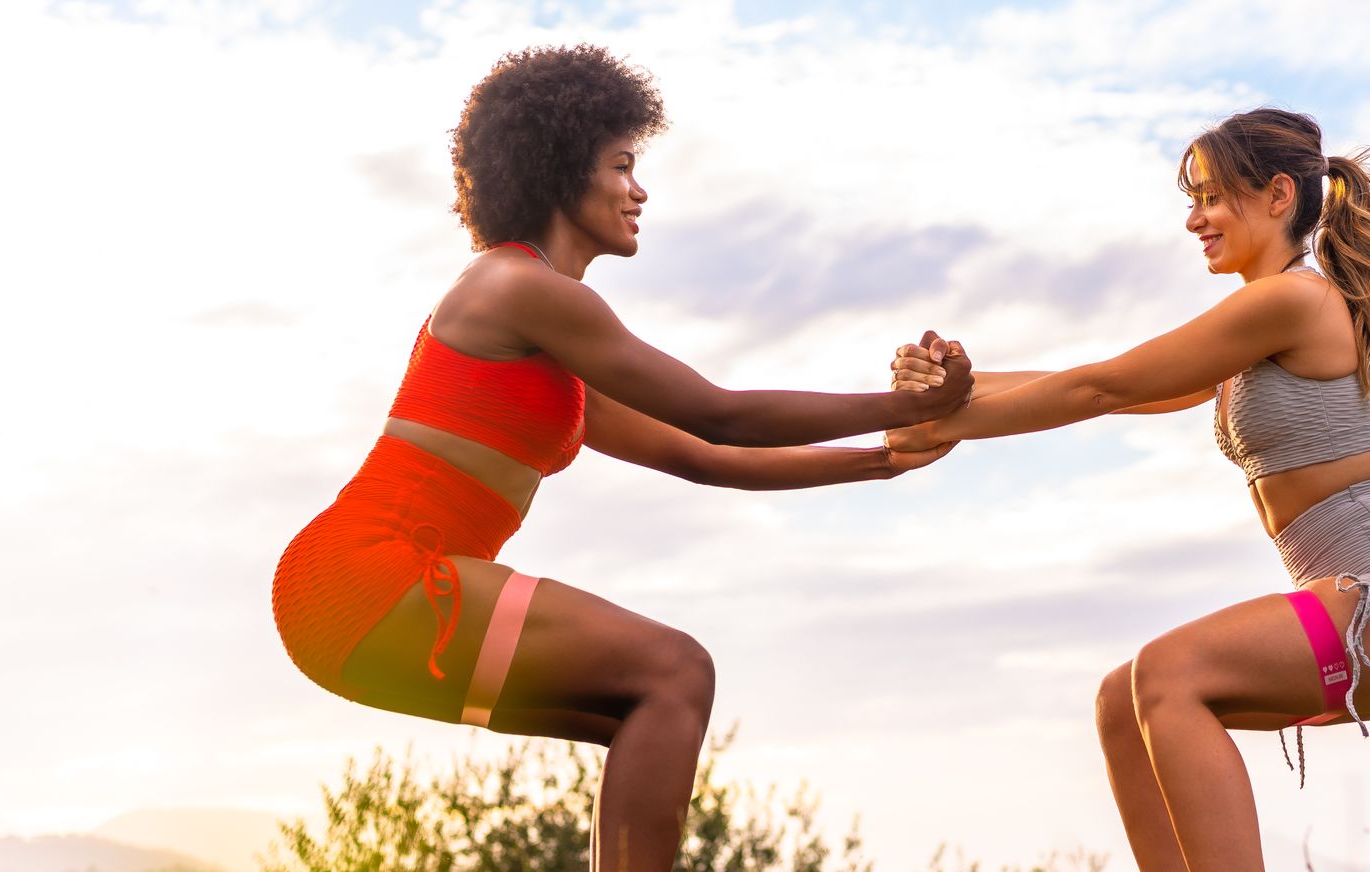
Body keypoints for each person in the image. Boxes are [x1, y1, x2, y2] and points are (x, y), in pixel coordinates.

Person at [271, 44, 972, 872]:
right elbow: (720, 414)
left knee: (645, 705)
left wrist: (884, 457)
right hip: (373, 578)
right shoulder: (516, 287)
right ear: (564, 168)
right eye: (623, 164)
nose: (640, 190)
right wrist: (912, 404)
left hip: (349, 603)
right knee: (674, 669)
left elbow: (702, 457)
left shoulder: (550, 336)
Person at [886, 107, 1370, 871]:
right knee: (1124, 702)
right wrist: (948, 396)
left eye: (1210, 197)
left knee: (1170, 673)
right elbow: (1120, 387)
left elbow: (1102, 387)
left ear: (1278, 196)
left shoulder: (1293, 301)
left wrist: (946, 423)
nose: (1193, 220)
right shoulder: (1260, 322)